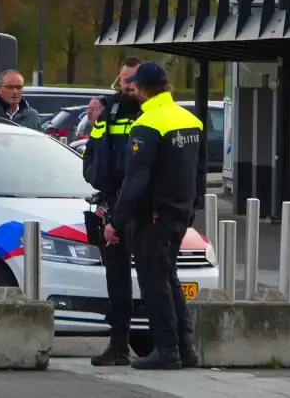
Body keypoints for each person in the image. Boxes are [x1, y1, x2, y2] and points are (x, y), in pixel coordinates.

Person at [104, 61, 202, 370]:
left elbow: (135, 181)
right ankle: (185, 348)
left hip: (153, 217)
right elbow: (198, 174)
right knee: (168, 279)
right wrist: (191, 210)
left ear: (142, 90)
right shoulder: (190, 120)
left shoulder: (148, 123)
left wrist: (116, 222)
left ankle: (167, 349)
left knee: (154, 284)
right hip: (179, 215)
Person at [81, 56, 143, 366]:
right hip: (112, 204)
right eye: (124, 80)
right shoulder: (109, 111)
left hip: (143, 209)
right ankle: (118, 345)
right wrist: (96, 176)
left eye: (133, 79)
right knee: (117, 281)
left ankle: (167, 346)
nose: (128, 85)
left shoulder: (149, 113)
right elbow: (92, 152)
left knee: (153, 279)